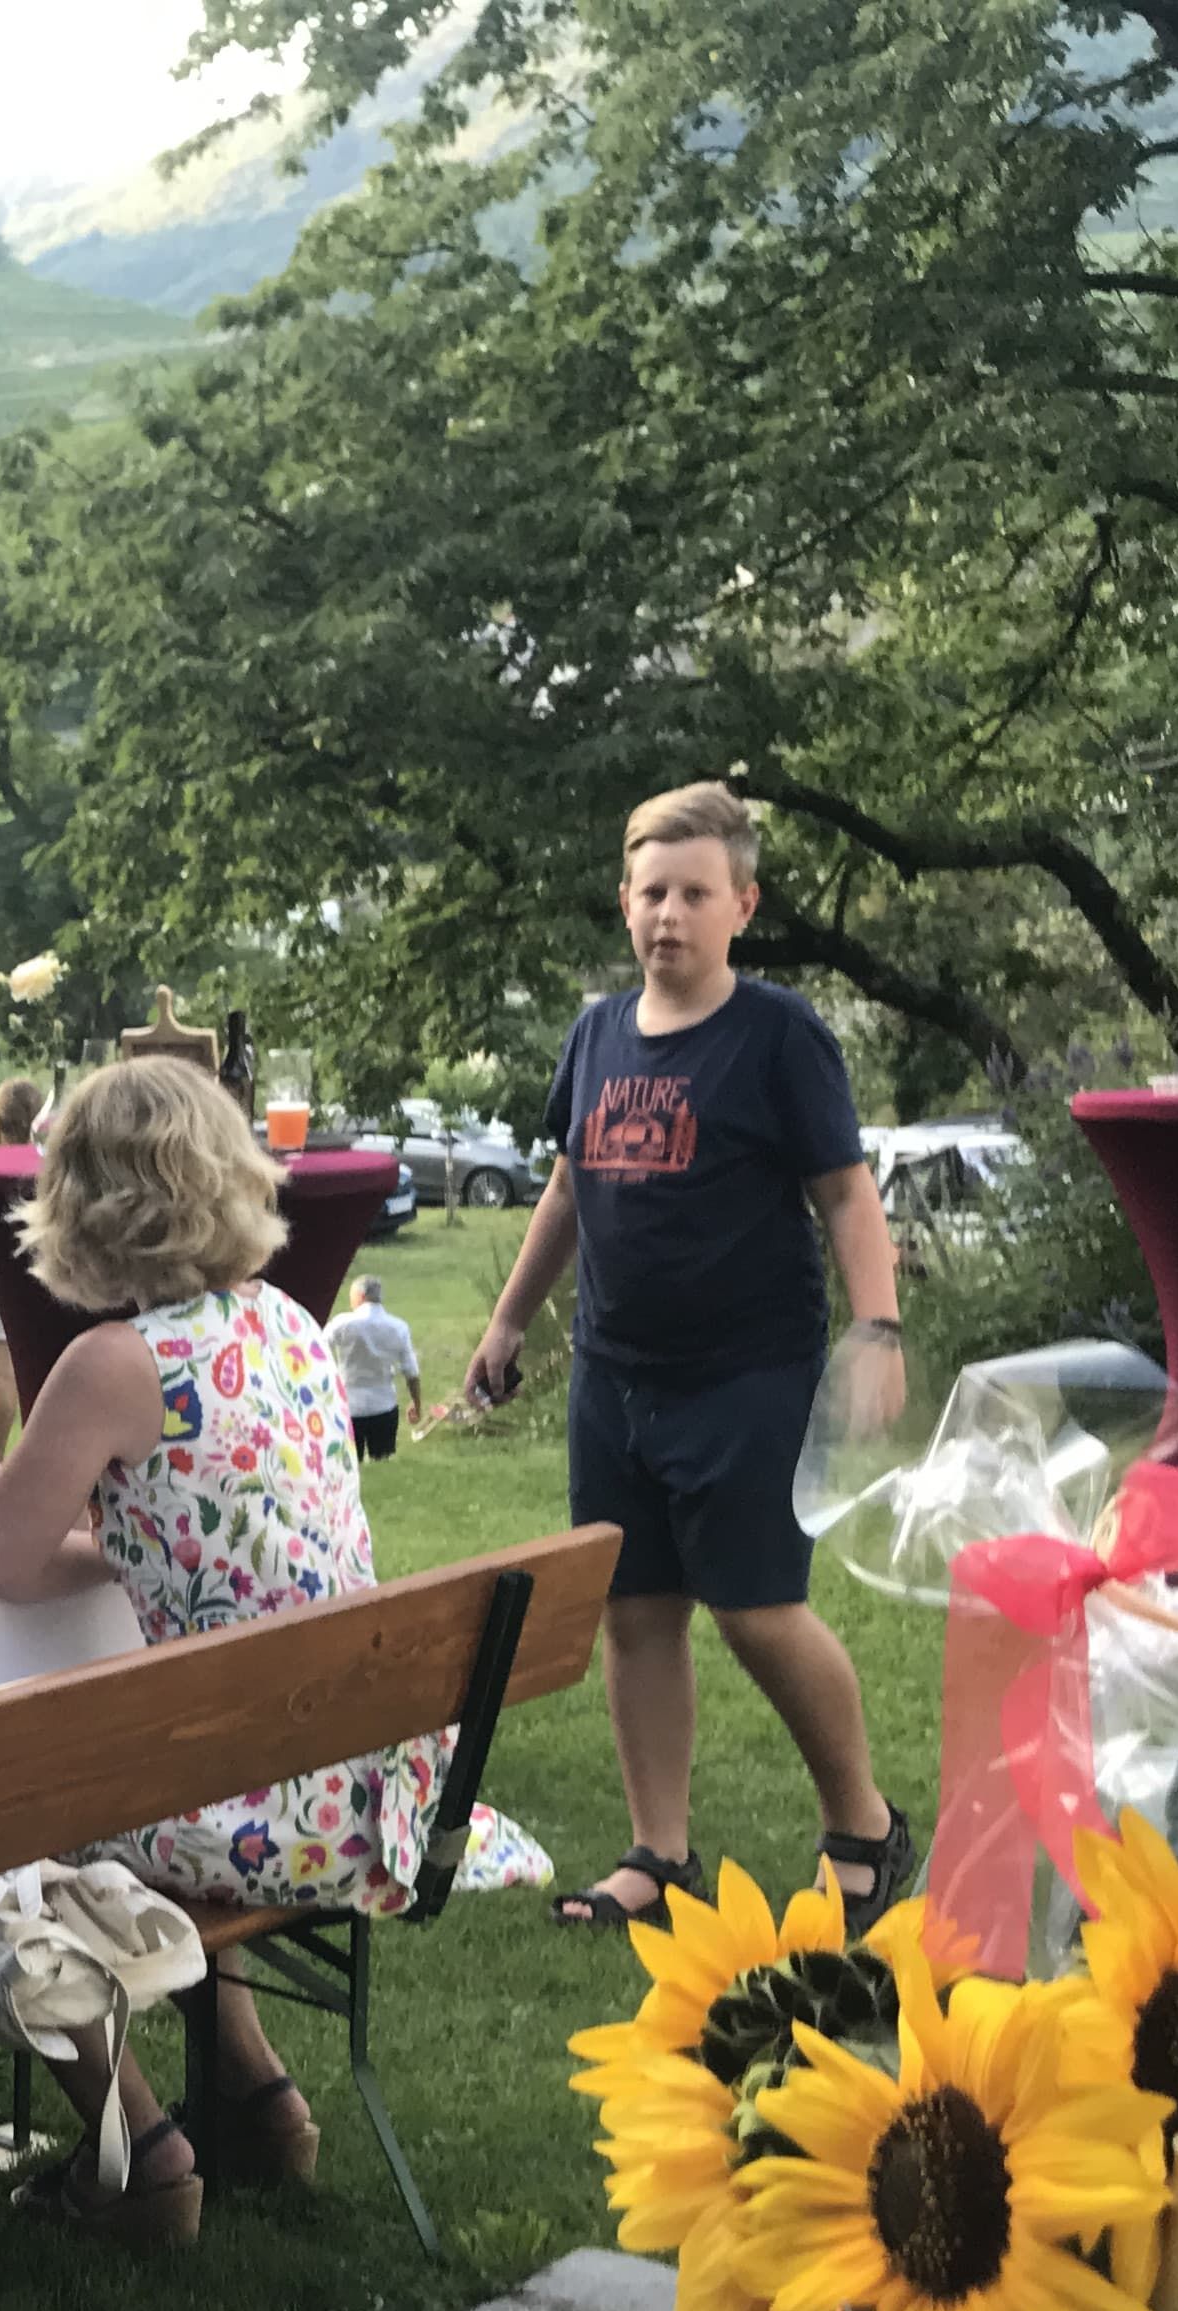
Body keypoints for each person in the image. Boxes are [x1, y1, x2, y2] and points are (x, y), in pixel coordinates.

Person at [0, 1058, 440, 2246]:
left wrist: (6, 1503)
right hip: (367, 1782)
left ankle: (138, 2153)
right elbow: (191, 1535)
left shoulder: (114, 1365)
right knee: (175, 1755)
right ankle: (254, 2092)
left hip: (257, 1811)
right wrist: (91, 1522)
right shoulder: (290, 1328)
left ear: (80, 1201)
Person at [463, 781, 912, 1934]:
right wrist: (510, 1321)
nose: (670, 913)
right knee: (637, 1611)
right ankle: (659, 1857)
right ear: (625, 903)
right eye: (651, 891)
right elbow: (568, 1187)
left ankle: (864, 1827)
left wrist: (878, 1329)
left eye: (695, 893)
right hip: (616, 1381)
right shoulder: (597, 1034)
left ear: (741, 905)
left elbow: (848, 1199)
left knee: (758, 1610)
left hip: (746, 1376)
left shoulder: (777, 1035)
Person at [0, 1073, 48, 1456]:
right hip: (40, 1272)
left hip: (0, 1273)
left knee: (4, 1376)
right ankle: (36, 1458)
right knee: (36, 1373)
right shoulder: (48, 1164)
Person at [325, 1274, 423, 1464]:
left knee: (350, 1464)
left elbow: (318, 1349)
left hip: (348, 1404)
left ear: (360, 1296)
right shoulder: (398, 1327)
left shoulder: (341, 1324)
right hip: (384, 1404)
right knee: (383, 1463)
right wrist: (416, 1403)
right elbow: (411, 1371)